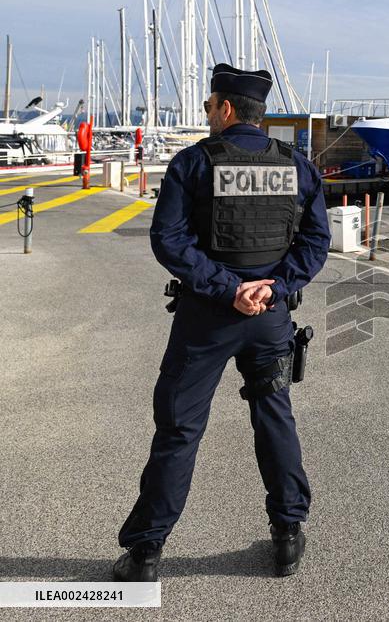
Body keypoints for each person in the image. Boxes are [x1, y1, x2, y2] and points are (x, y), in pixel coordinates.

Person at [113, 63, 331, 582]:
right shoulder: (295, 165)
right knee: (274, 417)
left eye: (210, 106)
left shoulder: (194, 162)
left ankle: (145, 553)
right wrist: (273, 287)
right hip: (271, 317)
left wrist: (226, 289)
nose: (208, 114)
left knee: (180, 430)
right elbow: (315, 243)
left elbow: (169, 239)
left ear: (226, 108)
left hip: (206, 319)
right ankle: (287, 537)